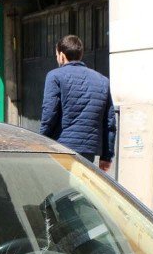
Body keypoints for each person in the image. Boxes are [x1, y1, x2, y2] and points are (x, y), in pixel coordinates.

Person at [40, 34, 116, 171]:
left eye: (57, 54)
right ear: (80, 55)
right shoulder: (102, 80)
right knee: (81, 187)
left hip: (61, 147)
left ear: (62, 55)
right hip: (88, 150)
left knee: (61, 188)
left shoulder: (55, 76)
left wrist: (41, 141)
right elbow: (109, 122)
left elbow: (49, 113)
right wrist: (107, 156)